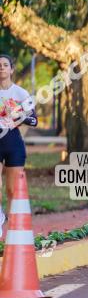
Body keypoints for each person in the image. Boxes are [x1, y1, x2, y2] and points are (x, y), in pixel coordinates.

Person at [0, 55, 37, 235]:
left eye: (5, 65)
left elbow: (34, 120)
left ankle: (13, 235)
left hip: (13, 141)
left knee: (12, 191)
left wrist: (20, 116)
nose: (2, 68)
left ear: (12, 69)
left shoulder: (20, 93)